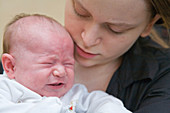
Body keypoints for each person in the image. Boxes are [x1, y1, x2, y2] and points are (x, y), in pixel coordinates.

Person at [0, 13, 131, 113]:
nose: (61, 72)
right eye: (48, 63)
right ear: (11, 66)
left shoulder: (72, 94)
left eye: (68, 64)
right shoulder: (5, 88)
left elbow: (101, 101)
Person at [64, 0, 170, 113]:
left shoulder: (162, 82)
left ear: (149, 24)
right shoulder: (43, 35)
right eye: (80, 12)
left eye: (115, 29)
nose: (88, 40)